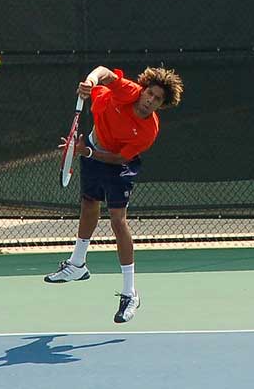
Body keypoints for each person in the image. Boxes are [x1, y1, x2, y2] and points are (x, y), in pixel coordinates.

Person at [44, 65, 184, 323]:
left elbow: (119, 157)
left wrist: (85, 152)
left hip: (118, 163)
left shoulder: (148, 131)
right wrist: (90, 80)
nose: (150, 101)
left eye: (157, 100)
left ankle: (130, 293)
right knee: (89, 204)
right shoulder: (127, 91)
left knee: (117, 220)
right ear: (142, 90)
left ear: (161, 105)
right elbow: (103, 72)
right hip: (95, 144)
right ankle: (77, 265)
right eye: (149, 94)